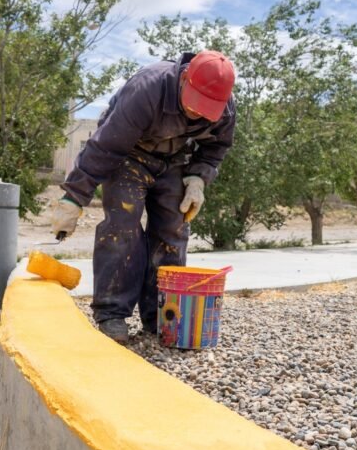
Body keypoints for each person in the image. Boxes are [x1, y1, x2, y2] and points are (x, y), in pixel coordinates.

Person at [51, 50, 236, 343]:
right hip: (128, 156)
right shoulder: (147, 89)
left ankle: (161, 315)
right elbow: (105, 147)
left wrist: (197, 178)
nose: (199, 113)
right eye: (196, 104)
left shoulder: (224, 107)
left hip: (175, 160)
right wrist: (74, 197)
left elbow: (216, 148)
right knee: (122, 225)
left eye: (207, 109)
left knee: (173, 229)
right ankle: (112, 313)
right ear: (185, 78)